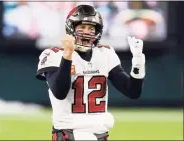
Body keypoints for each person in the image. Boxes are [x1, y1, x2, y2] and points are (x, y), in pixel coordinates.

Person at [36, 4, 146, 141]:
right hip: (69, 132)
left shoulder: (105, 53)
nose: (86, 32)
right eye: (81, 27)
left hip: (99, 133)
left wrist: (138, 62)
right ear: (71, 28)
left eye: (91, 28)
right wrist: (68, 54)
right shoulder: (53, 55)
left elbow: (132, 91)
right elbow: (59, 92)